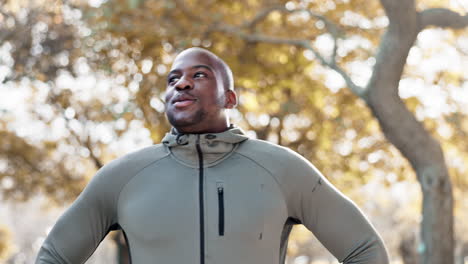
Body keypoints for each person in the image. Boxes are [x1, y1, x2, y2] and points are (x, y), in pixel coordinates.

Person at [36, 47, 389, 264]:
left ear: (229, 98)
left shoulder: (283, 170)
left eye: (199, 75)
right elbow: (54, 257)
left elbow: (364, 250)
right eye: (173, 79)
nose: (182, 84)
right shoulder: (122, 178)